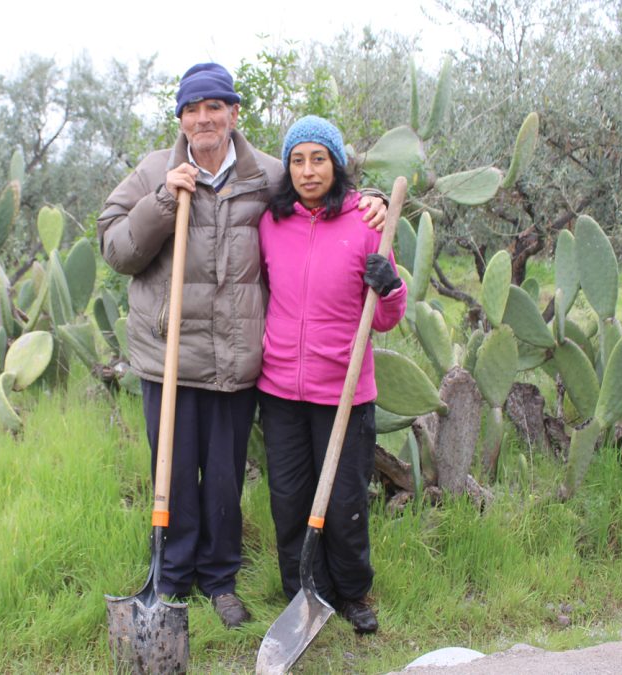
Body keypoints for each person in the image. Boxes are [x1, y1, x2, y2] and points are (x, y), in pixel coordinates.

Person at [97, 64, 388, 629]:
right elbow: (115, 248)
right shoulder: (155, 169)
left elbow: (323, 196)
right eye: (191, 109)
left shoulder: (269, 175)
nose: (203, 118)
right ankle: (172, 579)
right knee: (174, 474)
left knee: (226, 480)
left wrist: (371, 201)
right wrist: (162, 200)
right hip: (171, 358)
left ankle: (221, 581)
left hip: (235, 357)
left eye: (215, 107)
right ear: (180, 118)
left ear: (235, 113)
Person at [257, 115, 407, 634]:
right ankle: (303, 592)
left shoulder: (367, 224)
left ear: (336, 163)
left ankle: (352, 592)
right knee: (290, 498)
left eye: (318, 158)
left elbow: (386, 317)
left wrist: (389, 286)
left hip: (343, 390)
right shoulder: (272, 223)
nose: (307, 170)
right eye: (297, 160)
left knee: (344, 501)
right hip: (279, 388)